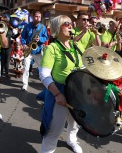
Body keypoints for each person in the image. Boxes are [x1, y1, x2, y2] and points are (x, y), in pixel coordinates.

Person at [38, 15, 85, 153]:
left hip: (76, 92)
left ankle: (71, 140)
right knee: (54, 129)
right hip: (60, 92)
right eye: (66, 24)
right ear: (57, 29)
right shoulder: (52, 48)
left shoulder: (77, 45)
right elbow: (44, 75)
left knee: (74, 122)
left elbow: (81, 66)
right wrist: (57, 94)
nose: (71, 26)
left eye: (71, 23)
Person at [21, 11, 48, 91]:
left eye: (39, 17)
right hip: (28, 51)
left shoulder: (42, 27)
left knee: (41, 68)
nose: (38, 18)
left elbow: (46, 38)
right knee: (26, 68)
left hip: (38, 51)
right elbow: (22, 37)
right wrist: (24, 44)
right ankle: (25, 84)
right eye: (36, 16)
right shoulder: (27, 26)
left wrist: (40, 39)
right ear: (33, 17)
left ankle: (44, 83)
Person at [0, 14, 21, 81]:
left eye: (7, 22)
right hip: (2, 47)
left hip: (8, 47)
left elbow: (13, 37)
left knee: (7, 61)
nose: (6, 23)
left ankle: (6, 73)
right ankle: (0, 74)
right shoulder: (0, 27)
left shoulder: (10, 29)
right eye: (5, 22)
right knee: (1, 61)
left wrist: (19, 33)